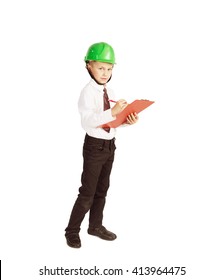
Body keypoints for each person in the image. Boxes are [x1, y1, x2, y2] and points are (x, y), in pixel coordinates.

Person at [65, 42, 138, 248]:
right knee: (87, 192)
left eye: (109, 68)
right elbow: (88, 121)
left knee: (102, 190)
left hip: (109, 146)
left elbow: (109, 122)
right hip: (94, 147)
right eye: (101, 68)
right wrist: (112, 113)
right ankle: (71, 231)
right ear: (89, 66)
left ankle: (95, 226)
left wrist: (125, 120)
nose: (105, 73)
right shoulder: (87, 92)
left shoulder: (110, 89)